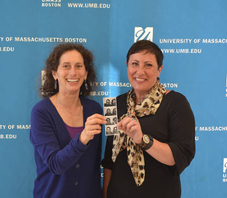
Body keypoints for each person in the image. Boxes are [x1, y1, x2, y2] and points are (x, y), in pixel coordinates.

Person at [102, 40, 195, 198]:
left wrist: (143, 140)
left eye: (148, 65)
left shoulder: (176, 103)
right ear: (127, 66)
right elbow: (110, 161)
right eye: (135, 64)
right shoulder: (115, 104)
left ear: (159, 70)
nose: (140, 71)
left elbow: (180, 156)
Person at [30, 43, 106, 198]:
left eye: (79, 66)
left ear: (85, 73)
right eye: (66, 66)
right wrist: (83, 138)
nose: (73, 72)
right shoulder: (41, 112)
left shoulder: (94, 109)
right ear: (54, 74)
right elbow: (55, 164)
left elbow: (95, 164)